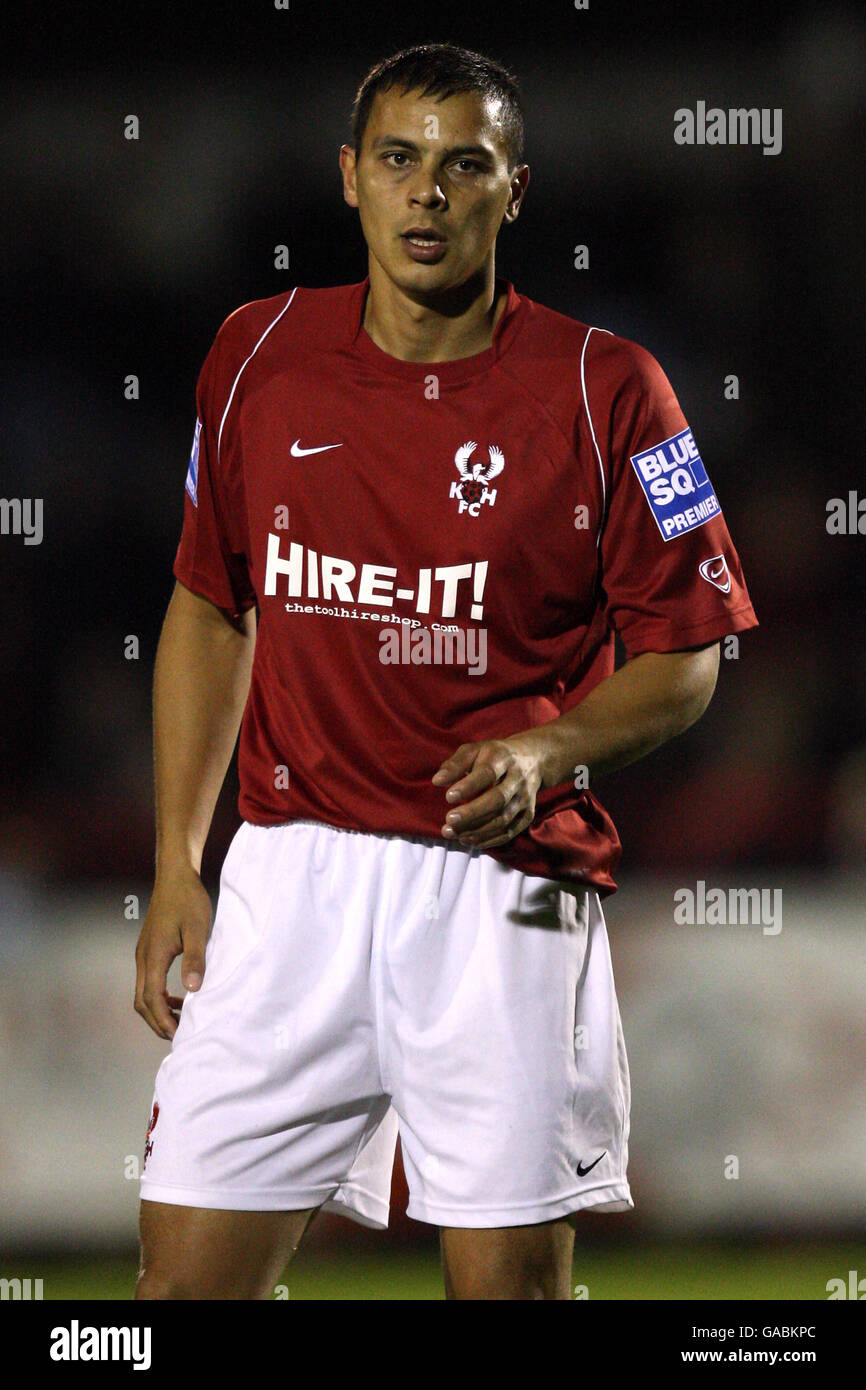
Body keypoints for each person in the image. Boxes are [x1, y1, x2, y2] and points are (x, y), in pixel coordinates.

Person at [133, 41, 758, 1301]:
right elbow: (210, 606)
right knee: (177, 1297)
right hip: (287, 876)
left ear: (511, 191)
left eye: (462, 166)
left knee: (507, 1294)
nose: (428, 193)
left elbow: (688, 655)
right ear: (350, 179)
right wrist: (174, 859)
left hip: (502, 894)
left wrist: (548, 749)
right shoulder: (254, 352)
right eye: (401, 161)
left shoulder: (610, 389)